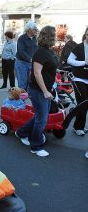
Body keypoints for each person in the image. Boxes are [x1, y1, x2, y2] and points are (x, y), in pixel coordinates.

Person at [15, 26, 58, 157]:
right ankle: (36, 146)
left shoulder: (48, 51)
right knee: (42, 119)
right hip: (38, 91)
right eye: (54, 35)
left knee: (39, 116)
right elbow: (36, 73)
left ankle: (21, 132)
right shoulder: (40, 52)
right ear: (50, 36)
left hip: (46, 90)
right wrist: (45, 91)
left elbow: (48, 69)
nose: (56, 37)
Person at [67, 28, 88, 136]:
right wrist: (84, 62)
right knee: (83, 102)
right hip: (79, 78)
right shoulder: (79, 47)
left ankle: (79, 125)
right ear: (85, 34)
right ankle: (77, 127)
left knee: (86, 104)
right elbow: (69, 61)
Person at [15, 21, 38, 90]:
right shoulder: (21, 38)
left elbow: (36, 50)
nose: (36, 30)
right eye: (34, 28)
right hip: (22, 63)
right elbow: (21, 51)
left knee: (30, 82)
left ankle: (28, 98)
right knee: (23, 83)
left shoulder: (34, 38)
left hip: (31, 63)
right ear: (29, 30)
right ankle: (21, 100)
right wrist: (30, 59)